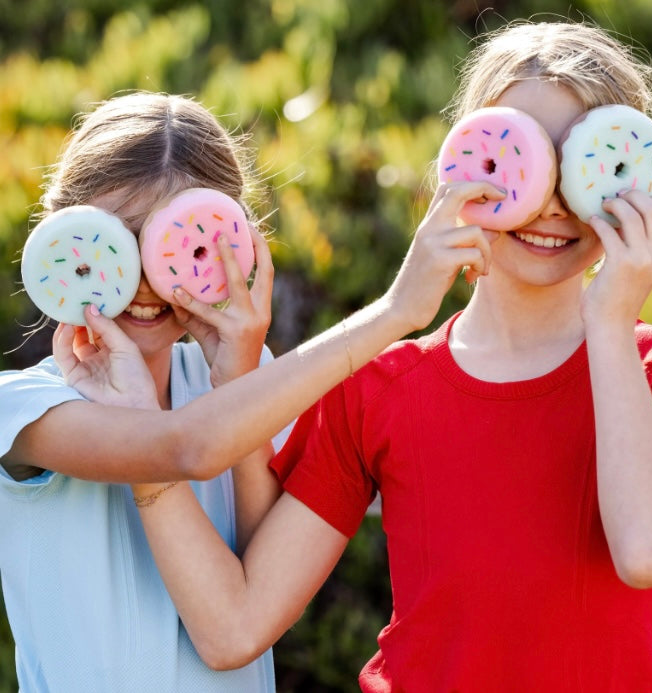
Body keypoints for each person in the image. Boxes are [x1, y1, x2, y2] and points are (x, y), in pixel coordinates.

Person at [116, 20, 652, 692]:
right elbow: (236, 625)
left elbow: (650, 552)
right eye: (519, 160)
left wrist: (609, 317)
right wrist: (152, 428)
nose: (551, 205)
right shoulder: (376, 388)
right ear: (458, 164)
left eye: (588, 165)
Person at [0, 91, 495, 691]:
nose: (147, 282)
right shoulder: (24, 409)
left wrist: (239, 375)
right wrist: (393, 313)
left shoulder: (236, 388)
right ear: (61, 238)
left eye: (179, 247)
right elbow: (184, 448)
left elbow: (254, 601)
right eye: (115, 243)